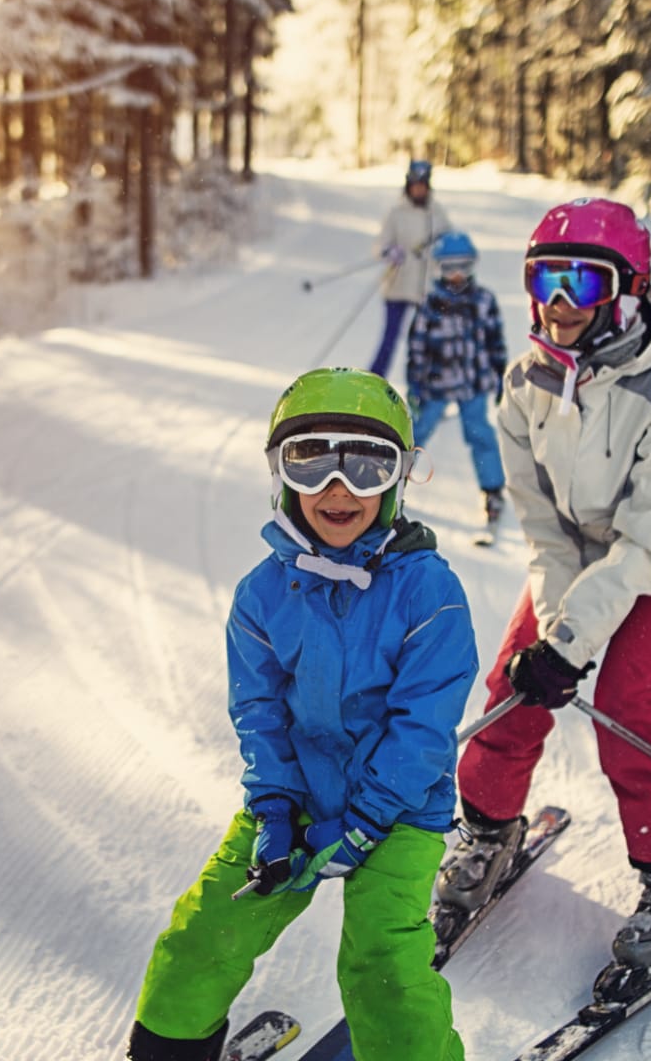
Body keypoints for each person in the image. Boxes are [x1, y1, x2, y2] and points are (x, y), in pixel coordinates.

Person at [127, 368, 475, 1061]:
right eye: (310, 462)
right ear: (282, 476)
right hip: (298, 799)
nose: (338, 489)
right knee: (205, 934)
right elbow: (258, 712)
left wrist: (370, 817)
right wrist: (276, 808)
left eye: (367, 466)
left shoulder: (429, 592)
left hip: (400, 810)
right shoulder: (262, 596)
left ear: (398, 480)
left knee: (381, 964)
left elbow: (423, 727)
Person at [436, 198, 651, 977]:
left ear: (628, 292)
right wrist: (554, 639)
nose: (560, 303)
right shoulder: (523, 384)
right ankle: (488, 833)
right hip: (573, 551)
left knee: (627, 706)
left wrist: (572, 645)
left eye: (583, 283)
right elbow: (542, 530)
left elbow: (644, 543)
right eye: (545, 280)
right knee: (514, 685)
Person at [404, 231, 510, 530]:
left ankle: (492, 490)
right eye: (449, 267)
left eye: (463, 266)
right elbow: (417, 346)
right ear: (439, 268)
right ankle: (392, 482)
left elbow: (495, 341)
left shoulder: (484, 300)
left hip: (473, 383)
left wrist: (500, 376)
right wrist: (415, 384)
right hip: (436, 384)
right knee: (416, 432)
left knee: (480, 434)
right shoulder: (430, 303)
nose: (457, 274)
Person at [369, 160, 454, 380]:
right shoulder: (396, 212)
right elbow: (380, 246)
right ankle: (374, 381)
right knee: (389, 339)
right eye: (415, 185)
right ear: (408, 186)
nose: (418, 190)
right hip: (397, 286)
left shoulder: (437, 213)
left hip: (424, 289)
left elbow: (450, 245)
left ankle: (422, 388)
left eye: (422, 186)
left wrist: (438, 253)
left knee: (424, 342)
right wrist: (390, 252)